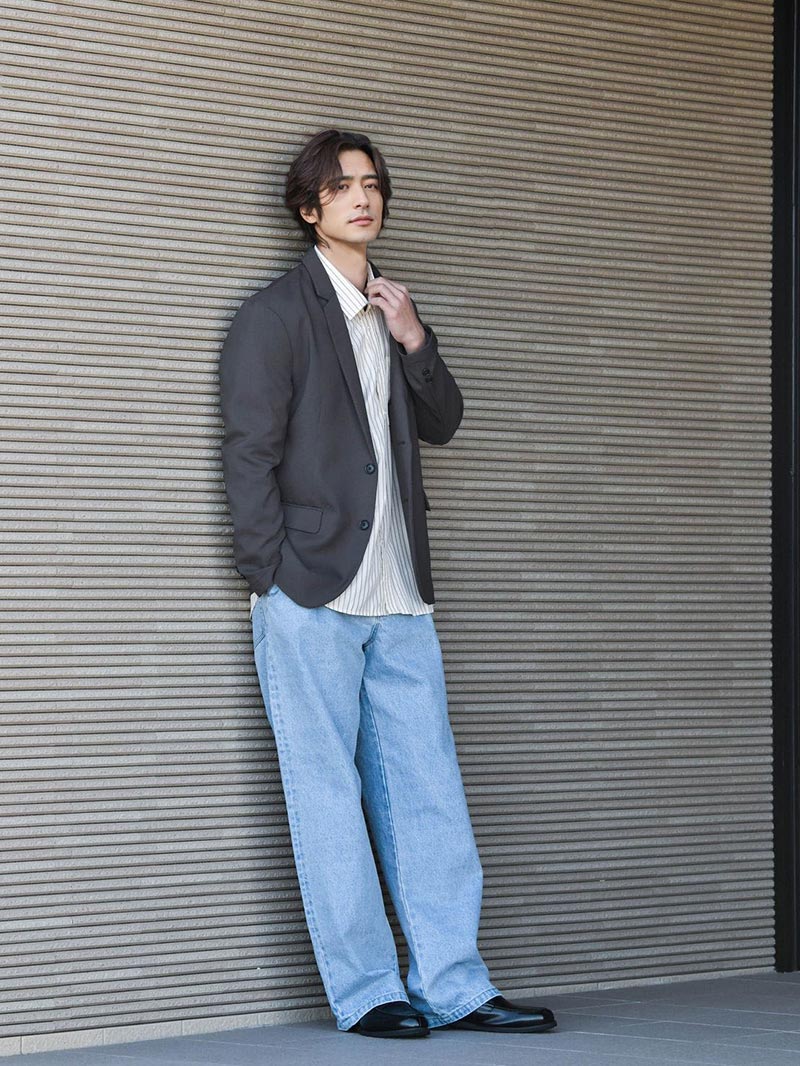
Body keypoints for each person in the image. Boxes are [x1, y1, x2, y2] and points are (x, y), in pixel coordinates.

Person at [218, 128, 557, 1040]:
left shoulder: (393, 308)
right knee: (326, 793)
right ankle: (368, 991)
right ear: (309, 209)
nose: (362, 198)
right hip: (312, 592)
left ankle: (455, 983)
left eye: (371, 184)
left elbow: (442, 420)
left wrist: (413, 338)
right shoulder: (274, 316)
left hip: (401, 592)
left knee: (427, 791)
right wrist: (269, 574)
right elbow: (248, 456)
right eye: (341, 187)